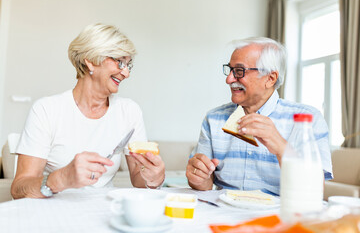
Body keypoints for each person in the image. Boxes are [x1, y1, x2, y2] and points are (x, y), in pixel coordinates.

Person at [11, 23, 165, 199]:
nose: (126, 73)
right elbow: (18, 189)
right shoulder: (47, 110)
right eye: (119, 62)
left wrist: (154, 178)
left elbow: (139, 179)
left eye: (128, 65)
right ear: (91, 61)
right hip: (54, 215)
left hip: (105, 212)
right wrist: (61, 178)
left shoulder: (129, 111)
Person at [186, 37, 332, 195]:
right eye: (230, 70)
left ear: (270, 78)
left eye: (239, 71)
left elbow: (315, 191)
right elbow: (205, 185)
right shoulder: (213, 118)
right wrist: (198, 178)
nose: (229, 79)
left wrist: (281, 147)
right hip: (223, 213)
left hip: (280, 216)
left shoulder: (308, 119)